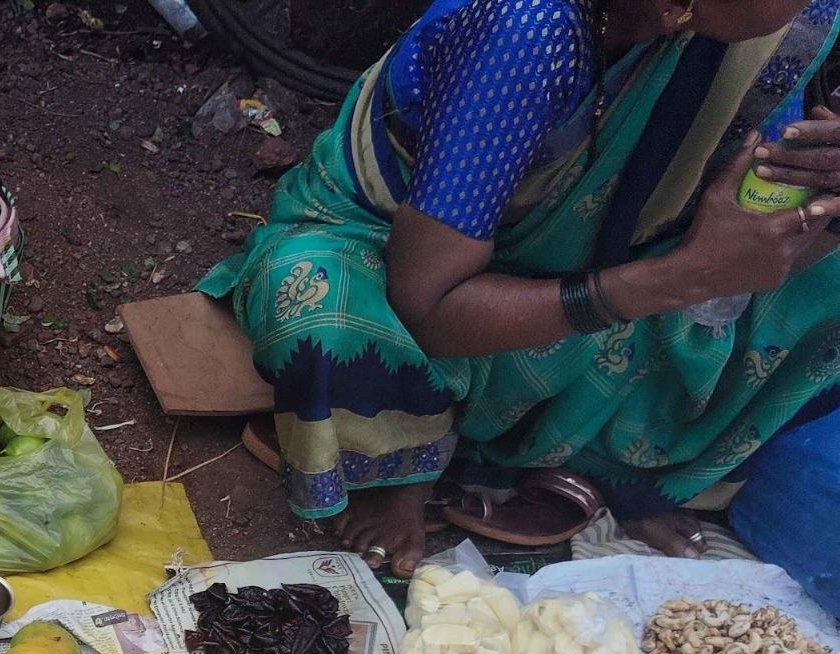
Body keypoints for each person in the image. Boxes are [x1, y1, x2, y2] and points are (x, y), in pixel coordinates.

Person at [200, 0, 840, 575]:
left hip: (605, 245)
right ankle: (411, 465)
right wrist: (679, 278)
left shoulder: (760, 24)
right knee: (325, 319)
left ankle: (593, 458)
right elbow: (427, 308)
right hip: (398, 253)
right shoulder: (527, 32)